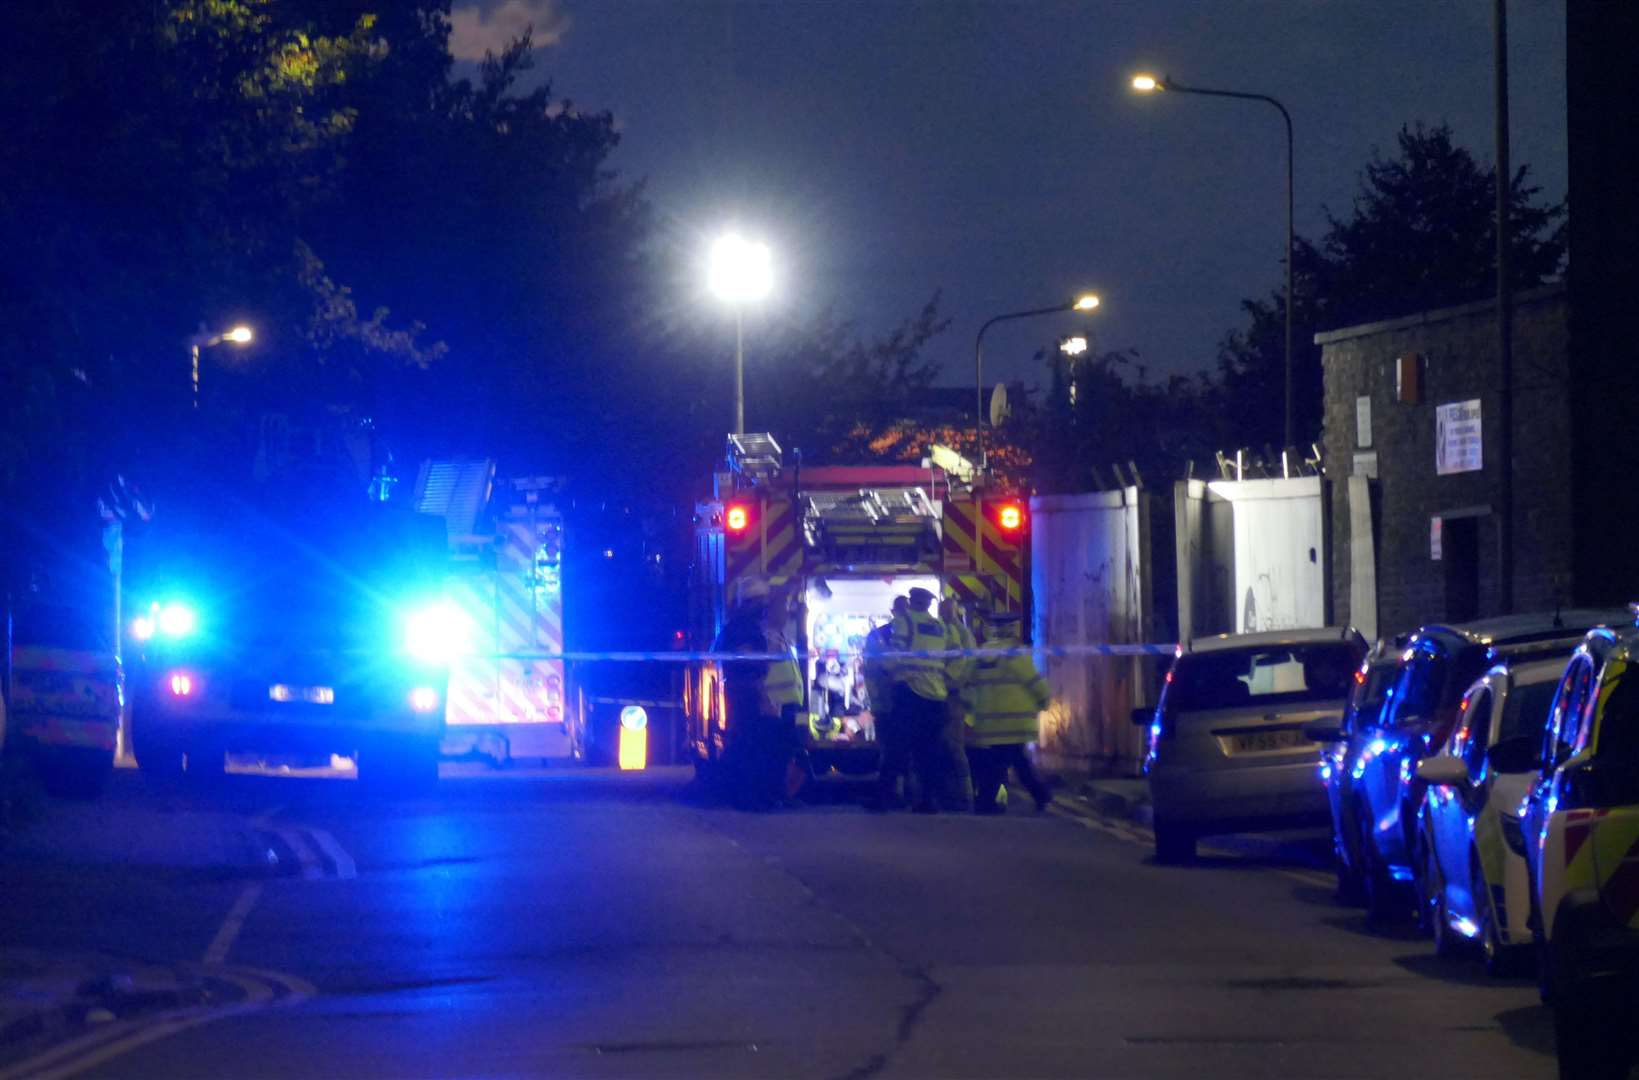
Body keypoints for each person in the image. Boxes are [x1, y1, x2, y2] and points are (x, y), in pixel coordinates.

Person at [713, 578, 805, 810]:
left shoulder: (751, 629)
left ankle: (767, 796)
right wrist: (762, 697)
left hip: (765, 700)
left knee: (766, 749)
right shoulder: (746, 630)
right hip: (757, 700)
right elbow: (750, 669)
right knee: (756, 749)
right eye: (762, 603)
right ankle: (756, 798)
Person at [965, 610, 1053, 815]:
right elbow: (1032, 680)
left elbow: (968, 682)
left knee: (1002, 763)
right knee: (1011, 763)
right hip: (1015, 722)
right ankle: (1038, 795)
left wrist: (970, 712)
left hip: (989, 723)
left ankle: (988, 802)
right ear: (1012, 629)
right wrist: (1044, 700)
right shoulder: (1014, 653)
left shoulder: (980, 654)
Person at [889, 586, 965, 813]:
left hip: (911, 695)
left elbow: (894, 655)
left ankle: (886, 798)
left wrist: (893, 675)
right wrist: (948, 679)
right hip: (936, 697)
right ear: (929, 603)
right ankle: (929, 801)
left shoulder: (905, 622)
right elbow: (958, 654)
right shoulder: (941, 626)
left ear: (912, 601)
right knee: (930, 752)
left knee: (897, 747)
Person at [865, 596, 910, 810]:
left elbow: (870, 671)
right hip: (905, 703)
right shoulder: (915, 636)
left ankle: (891, 795)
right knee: (898, 751)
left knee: (892, 751)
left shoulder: (877, 636)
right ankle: (899, 794)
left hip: (894, 704)